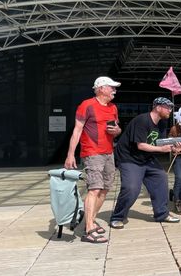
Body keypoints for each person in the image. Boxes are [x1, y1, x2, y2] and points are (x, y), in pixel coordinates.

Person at [109, 97, 181, 229]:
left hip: (147, 158)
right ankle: (117, 217)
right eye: (168, 107)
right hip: (129, 158)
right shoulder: (142, 120)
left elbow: (157, 143)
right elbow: (141, 145)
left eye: (171, 108)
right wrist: (162, 149)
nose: (170, 111)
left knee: (161, 177)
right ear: (158, 107)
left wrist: (173, 147)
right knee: (131, 187)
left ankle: (162, 214)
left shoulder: (161, 123)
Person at [65, 76, 122, 243]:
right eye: (111, 87)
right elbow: (77, 130)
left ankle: (91, 220)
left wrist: (117, 131)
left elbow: (117, 128)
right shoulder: (87, 105)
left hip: (109, 153)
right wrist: (70, 154)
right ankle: (88, 229)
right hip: (92, 153)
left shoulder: (113, 107)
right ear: (101, 88)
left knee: (105, 189)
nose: (114, 90)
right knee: (95, 188)